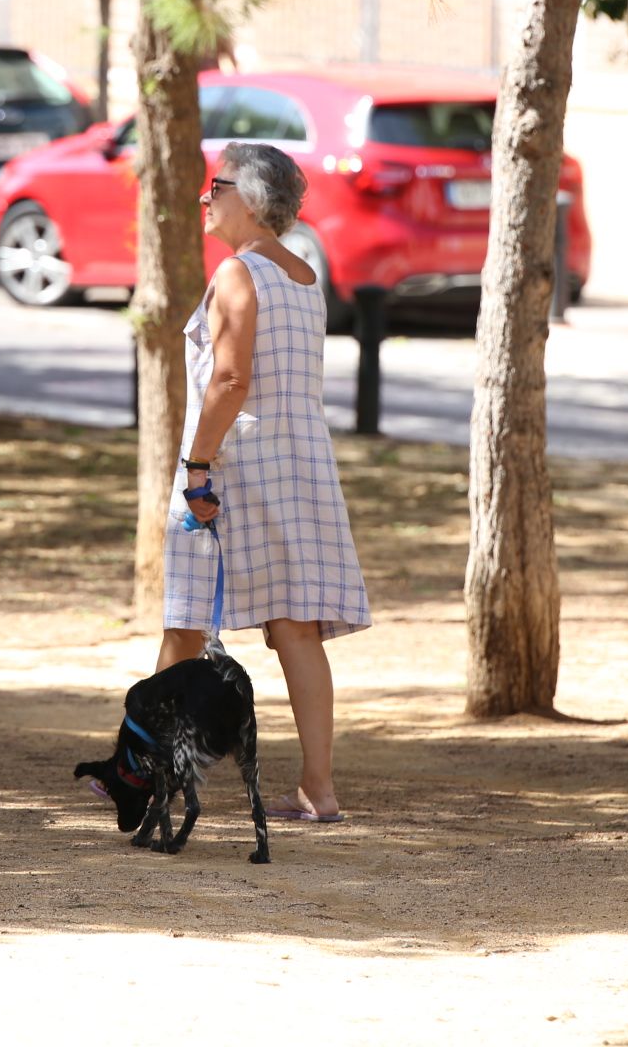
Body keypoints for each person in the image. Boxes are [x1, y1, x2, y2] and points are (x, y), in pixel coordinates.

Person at [160, 141, 370, 823]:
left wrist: (197, 464)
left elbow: (229, 380)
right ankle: (319, 788)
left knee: (186, 617)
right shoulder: (303, 273)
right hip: (301, 459)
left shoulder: (237, 275)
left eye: (212, 187)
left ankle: (148, 771)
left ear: (246, 199)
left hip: (236, 463)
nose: (204, 198)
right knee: (295, 627)